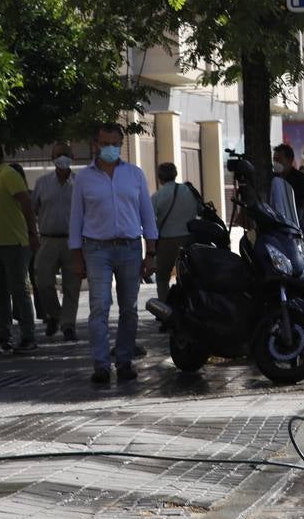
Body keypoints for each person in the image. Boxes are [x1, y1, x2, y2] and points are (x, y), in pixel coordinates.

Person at [70, 122, 158, 384]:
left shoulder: (134, 174)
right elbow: (76, 218)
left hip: (130, 247)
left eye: (115, 144)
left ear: (121, 145)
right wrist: (77, 256)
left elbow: (147, 215)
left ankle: (124, 360)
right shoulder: (84, 178)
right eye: (104, 143)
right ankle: (101, 364)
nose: (110, 148)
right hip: (96, 249)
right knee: (99, 307)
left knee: (129, 309)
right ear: (95, 144)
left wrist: (151, 252)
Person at [0, 142, 41, 353]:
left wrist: (32, 233)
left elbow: (26, 203)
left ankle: (28, 337)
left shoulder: (8, 174)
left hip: (15, 243)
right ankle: (5, 338)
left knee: (19, 290)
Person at [31, 142, 81, 340]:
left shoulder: (79, 183)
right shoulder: (42, 182)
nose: (62, 158)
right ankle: (55, 315)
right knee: (43, 283)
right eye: (59, 154)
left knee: (72, 285)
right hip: (48, 239)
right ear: (52, 158)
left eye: (66, 154)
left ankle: (68, 325)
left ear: (72, 158)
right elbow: (34, 208)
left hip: (73, 241)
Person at [150, 162, 202, 301]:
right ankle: (189, 304)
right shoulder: (189, 191)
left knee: (162, 277)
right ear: (176, 174)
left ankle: (165, 307)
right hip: (190, 239)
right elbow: (199, 210)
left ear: (159, 177)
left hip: (167, 240)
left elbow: (151, 221)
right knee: (187, 274)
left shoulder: (157, 196)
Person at [273, 143, 304, 254]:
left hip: (295, 229)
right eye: (274, 159)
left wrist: (301, 210)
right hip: (275, 229)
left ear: (290, 160)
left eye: (279, 159)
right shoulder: (272, 178)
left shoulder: (300, 178)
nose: (276, 162)